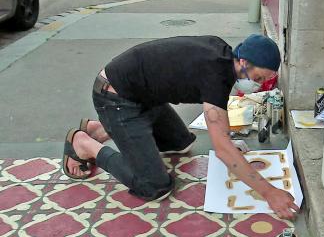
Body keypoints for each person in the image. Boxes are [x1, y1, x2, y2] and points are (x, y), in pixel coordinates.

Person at [62, 34, 298, 220]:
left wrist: (226, 139)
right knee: (155, 186)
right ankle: (85, 144)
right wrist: (269, 193)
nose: (256, 86)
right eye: (257, 78)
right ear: (244, 62)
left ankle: (100, 128)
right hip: (115, 98)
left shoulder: (222, 56)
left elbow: (219, 122)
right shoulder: (216, 76)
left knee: (180, 144)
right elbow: (223, 150)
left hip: (143, 96)